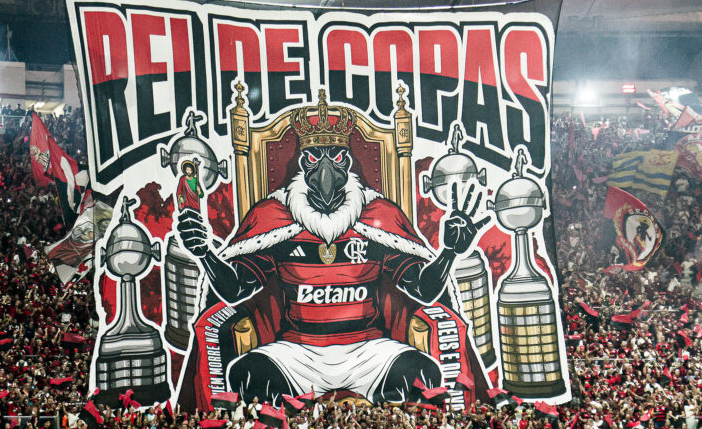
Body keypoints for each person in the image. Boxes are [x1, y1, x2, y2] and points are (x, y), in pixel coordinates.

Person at [177, 90, 488, 405]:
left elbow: (423, 289)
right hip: (297, 352)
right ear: (302, 164)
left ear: (348, 163)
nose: (325, 167)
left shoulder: (379, 216)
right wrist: (204, 252)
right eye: (314, 157)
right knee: (246, 373)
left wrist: (449, 252)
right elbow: (234, 290)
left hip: (368, 351)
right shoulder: (274, 217)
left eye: (336, 156)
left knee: (423, 372)